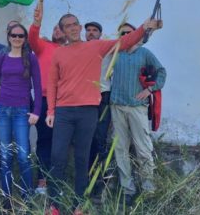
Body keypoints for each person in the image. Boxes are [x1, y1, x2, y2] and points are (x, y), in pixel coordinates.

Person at [45, 14, 162, 214]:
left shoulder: (95, 46)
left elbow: (125, 41)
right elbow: (52, 82)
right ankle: (53, 204)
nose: (72, 28)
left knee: (82, 158)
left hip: (88, 110)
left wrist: (144, 27)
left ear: (80, 27)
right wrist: (50, 110)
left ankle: (78, 204)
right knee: (57, 157)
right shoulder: (58, 53)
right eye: (67, 26)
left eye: (75, 24)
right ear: (62, 31)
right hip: (63, 111)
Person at [0, 23, 41, 206]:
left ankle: (27, 196)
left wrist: (36, 112)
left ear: (25, 39)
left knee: (24, 156)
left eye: (21, 36)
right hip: (2, 111)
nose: (17, 38)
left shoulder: (30, 58)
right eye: (14, 35)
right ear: (8, 37)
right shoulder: (1, 58)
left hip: (22, 112)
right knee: (5, 155)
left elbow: (38, 88)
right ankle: (6, 198)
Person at [111, 23, 167, 205]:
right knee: (120, 149)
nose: (126, 35)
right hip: (117, 106)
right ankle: (127, 189)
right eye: (123, 33)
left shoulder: (144, 53)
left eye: (129, 32)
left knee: (143, 149)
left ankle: (148, 190)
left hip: (137, 107)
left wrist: (150, 90)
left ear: (135, 34)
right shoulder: (115, 53)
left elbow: (161, 72)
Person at [29, 0, 66, 193]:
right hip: (43, 100)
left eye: (61, 29)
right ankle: (42, 180)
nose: (57, 31)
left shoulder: (71, 50)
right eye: (55, 28)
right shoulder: (43, 46)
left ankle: (57, 181)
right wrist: (38, 16)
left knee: (61, 143)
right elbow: (32, 35)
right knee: (44, 140)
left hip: (65, 102)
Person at [84, 20, 113, 189]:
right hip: (85, 97)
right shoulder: (80, 49)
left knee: (100, 137)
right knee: (87, 138)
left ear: (100, 34)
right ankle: (86, 177)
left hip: (103, 95)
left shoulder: (107, 48)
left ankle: (101, 180)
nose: (91, 32)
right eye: (88, 30)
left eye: (95, 30)